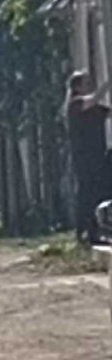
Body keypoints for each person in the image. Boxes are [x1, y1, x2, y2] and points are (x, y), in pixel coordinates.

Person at [65, 71, 112, 244]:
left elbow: (107, 112)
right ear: (77, 87)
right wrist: (108, 82)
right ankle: (84, 231)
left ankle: (98, 230)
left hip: (98, 155)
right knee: (86, 194)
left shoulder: (95, 109)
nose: (91, 85)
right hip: (83, 158)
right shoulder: (75, 104)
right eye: (87, 83)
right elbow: (93, 99)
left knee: (100, 192)